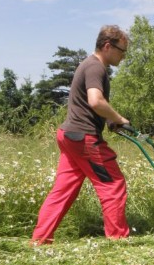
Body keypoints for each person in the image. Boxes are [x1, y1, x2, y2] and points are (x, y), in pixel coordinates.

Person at [31, 25, 131, 245]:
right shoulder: (96, 67)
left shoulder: (88, 64)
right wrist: (118, 118)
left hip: (69, 136)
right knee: (113, 185)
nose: (123, 57)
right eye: (122, 51)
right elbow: (95, 101)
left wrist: (107, 120)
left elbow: (87, 105)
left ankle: (40, 240)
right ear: (107, 46)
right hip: (84, 139)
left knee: (63, 190)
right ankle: (118, 242)